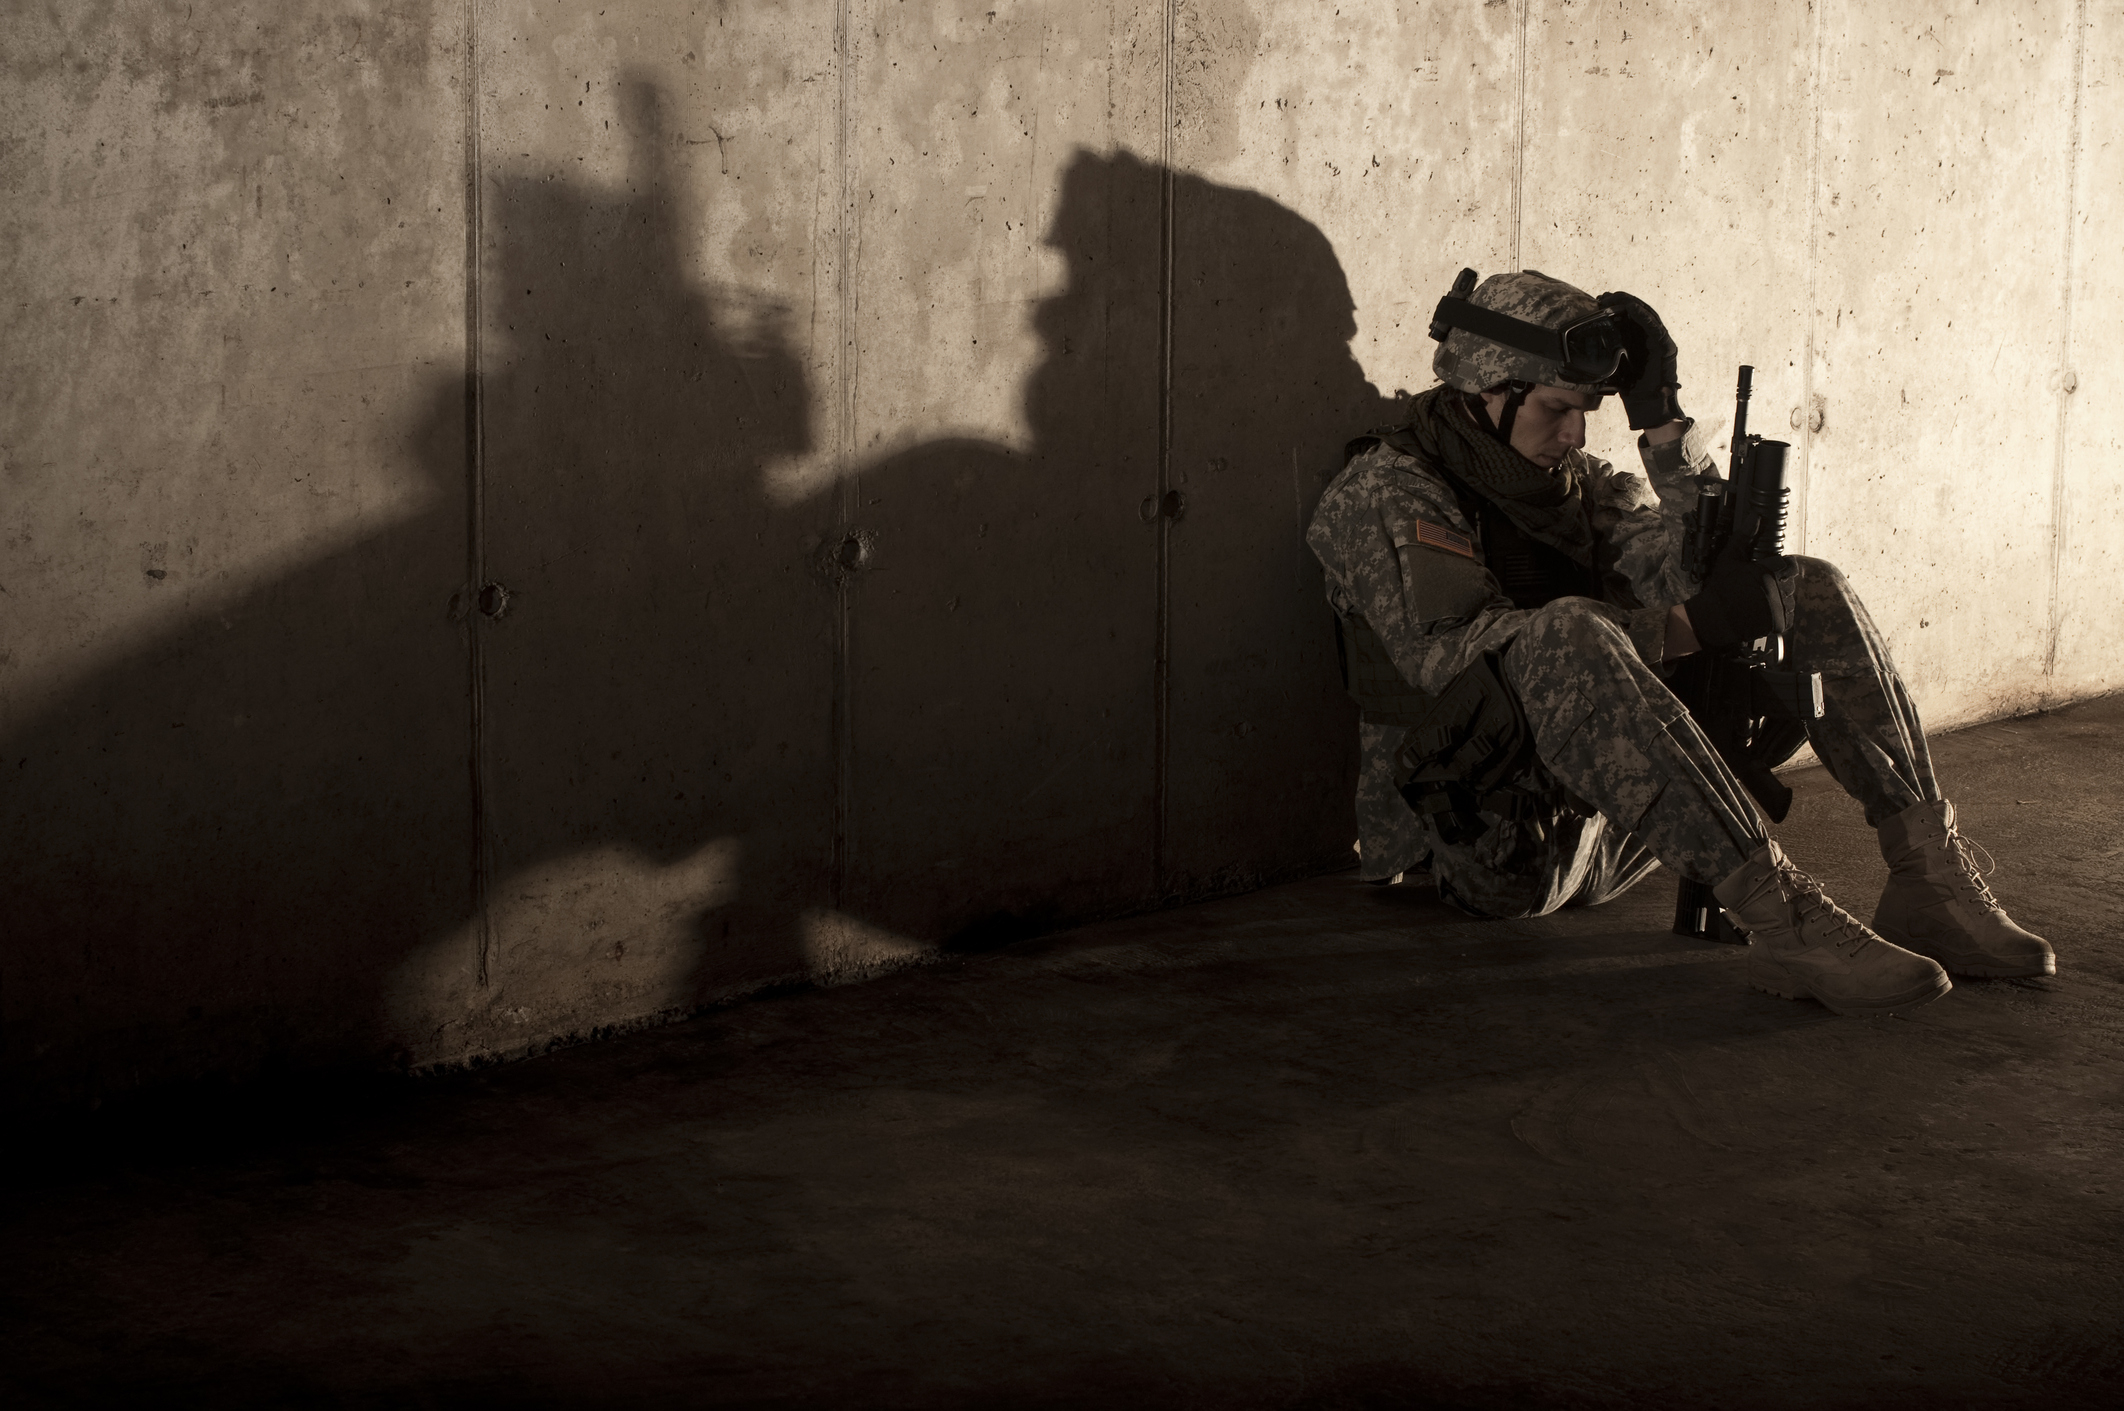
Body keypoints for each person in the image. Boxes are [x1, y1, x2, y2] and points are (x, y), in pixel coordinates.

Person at [1305, 268, 2055, 1015]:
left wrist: (1663, 425)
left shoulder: (1574, 482)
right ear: (1487, 389)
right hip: (1487, 841)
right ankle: (1785, 920)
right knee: (1571, 628)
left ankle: (1927, 872)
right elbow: (1447, 655)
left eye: (1588, 411)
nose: (1575, 434)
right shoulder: (1390, 488)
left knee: (1805, 585)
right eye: (1559, 409)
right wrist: (1684, 629)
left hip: (1614, 816)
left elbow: (1691, 566)